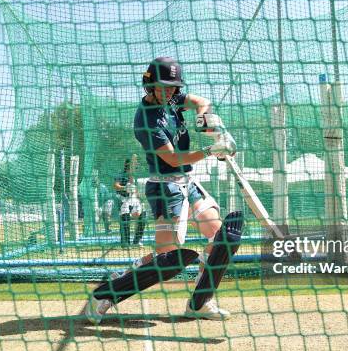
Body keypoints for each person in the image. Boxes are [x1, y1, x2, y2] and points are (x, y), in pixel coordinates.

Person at [85, 56, 243, 323]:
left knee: (221, 237)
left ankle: (200, 302)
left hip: (188, 182)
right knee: (167, 260)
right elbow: (172, 159)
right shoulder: (146, 119)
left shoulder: (170, 99)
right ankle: (107, 293)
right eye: (163, 86)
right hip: (164, 187)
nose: (169, 91)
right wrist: (209, 151)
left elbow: (198, 101)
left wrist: (205, 118)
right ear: (149, 84)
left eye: (173, 87)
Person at [114, 155, 146, 246]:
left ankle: (137, 241)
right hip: (123, 199)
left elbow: (135, 190)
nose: (136, 164)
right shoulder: (121, 174)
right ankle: (125, 242)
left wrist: (139, 198)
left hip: (134, 199)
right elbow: (116, 186)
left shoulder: (135, 176)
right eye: (134, 163)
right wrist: (125, 187)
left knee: (143, 216)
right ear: (128, 164)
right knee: (125, 218)